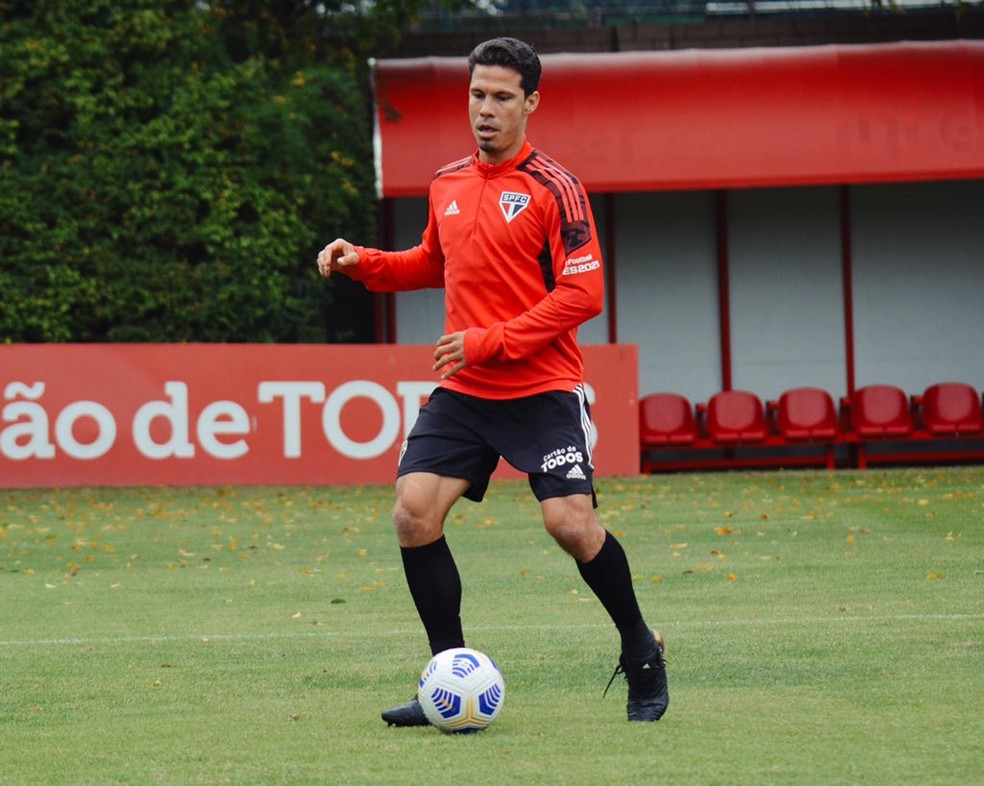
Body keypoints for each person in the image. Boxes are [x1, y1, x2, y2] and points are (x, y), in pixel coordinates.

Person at [317, 37, 668, 725]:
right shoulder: (448, 181)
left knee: (570, 525)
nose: (486, 109)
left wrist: (488, 340)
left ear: (530, 103)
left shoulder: (556, 188)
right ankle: (445, 680)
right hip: (468, 390)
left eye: (502, 96)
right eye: (478, 94)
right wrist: (364, 261)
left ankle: (641, 649)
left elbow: (583, 294)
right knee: (413, 514)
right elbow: (431, 260)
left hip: (541, 387)